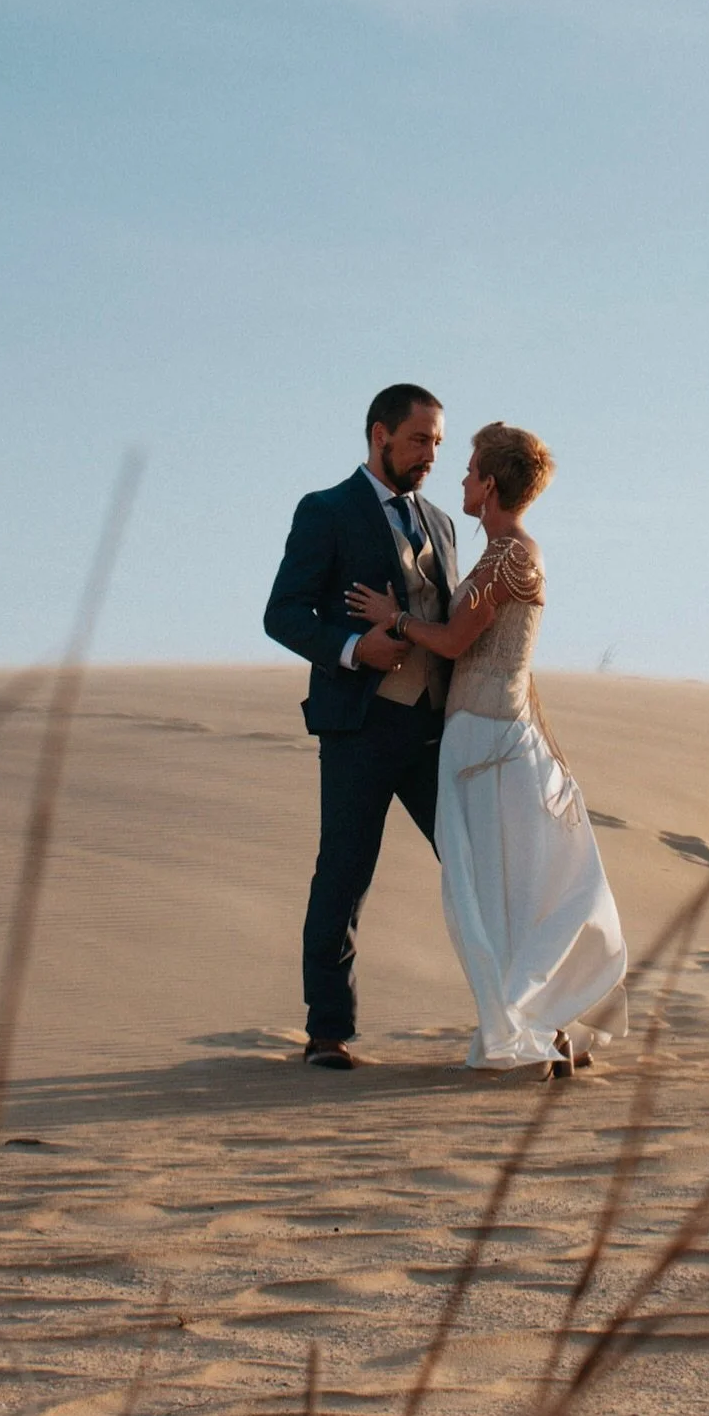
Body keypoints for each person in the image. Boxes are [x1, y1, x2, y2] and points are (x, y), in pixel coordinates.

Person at [346, 423, 626, 1074]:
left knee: (495, 888)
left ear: (492, 483)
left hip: (487, 740)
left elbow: (450, 642)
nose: (463, 481)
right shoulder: (506, 553)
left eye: (471, 471)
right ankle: (539, 1025)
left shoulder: (507, 556)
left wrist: (395, 620)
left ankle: (530, 1028)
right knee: (506, 887)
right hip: (489, 734)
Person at [264, 384, 459, 1068]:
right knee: (344, 874)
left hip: (436, 730)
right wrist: (354, 650)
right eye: (419, 439)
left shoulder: (441, 522)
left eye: (437, 441)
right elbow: (283, 615)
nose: (431, 453)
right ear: (380, 435)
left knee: (473, 866)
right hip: (359, 725)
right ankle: (328, 1032)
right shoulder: (326, 511)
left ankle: (519, 1012)